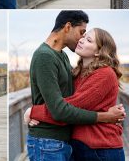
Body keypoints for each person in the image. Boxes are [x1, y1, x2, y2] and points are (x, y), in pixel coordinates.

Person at [24, 11, 125, 161]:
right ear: (68, 27)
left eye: (87, 38)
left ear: (99, 52)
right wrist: (105, 116)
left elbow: (68, 105)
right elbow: (61, 108)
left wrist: (34, 111)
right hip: (52, 142)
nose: (81, 39)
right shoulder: (49, 58)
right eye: (82, 33)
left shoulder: (101, 73)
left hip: (97, 148)